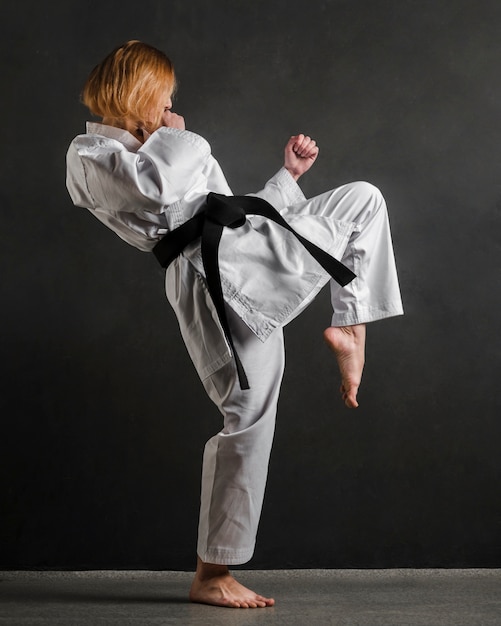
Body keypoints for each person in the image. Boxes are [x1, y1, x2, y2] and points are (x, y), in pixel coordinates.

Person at [66, 40, 403, 609]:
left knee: (363, 201)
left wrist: (286, 177)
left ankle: (352, 330)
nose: (172, 107)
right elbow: (158, 190)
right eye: (165, 97)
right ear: (140, 92)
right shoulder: (89, 155)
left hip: (245, 245)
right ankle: (212, 572)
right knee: (247, 415)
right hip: (209, 276)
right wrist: (172, 134)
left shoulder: (164, 143)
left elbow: (219, 201)